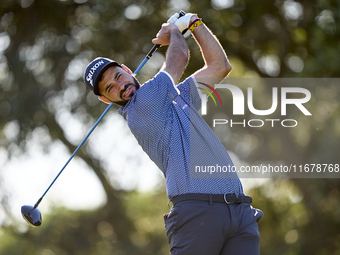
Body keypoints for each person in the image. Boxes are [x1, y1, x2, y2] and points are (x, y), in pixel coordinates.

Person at [84, 12, 263, 255]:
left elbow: (220, 66)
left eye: (118, 76)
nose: (121, 87)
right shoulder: (141, 107)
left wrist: (194, 23)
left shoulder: (178, 98)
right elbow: (179, 56)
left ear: (126, 69)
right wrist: (174, 29)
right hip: (199, 212)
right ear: (106, 99)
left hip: (239, 212)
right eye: (110, 89)